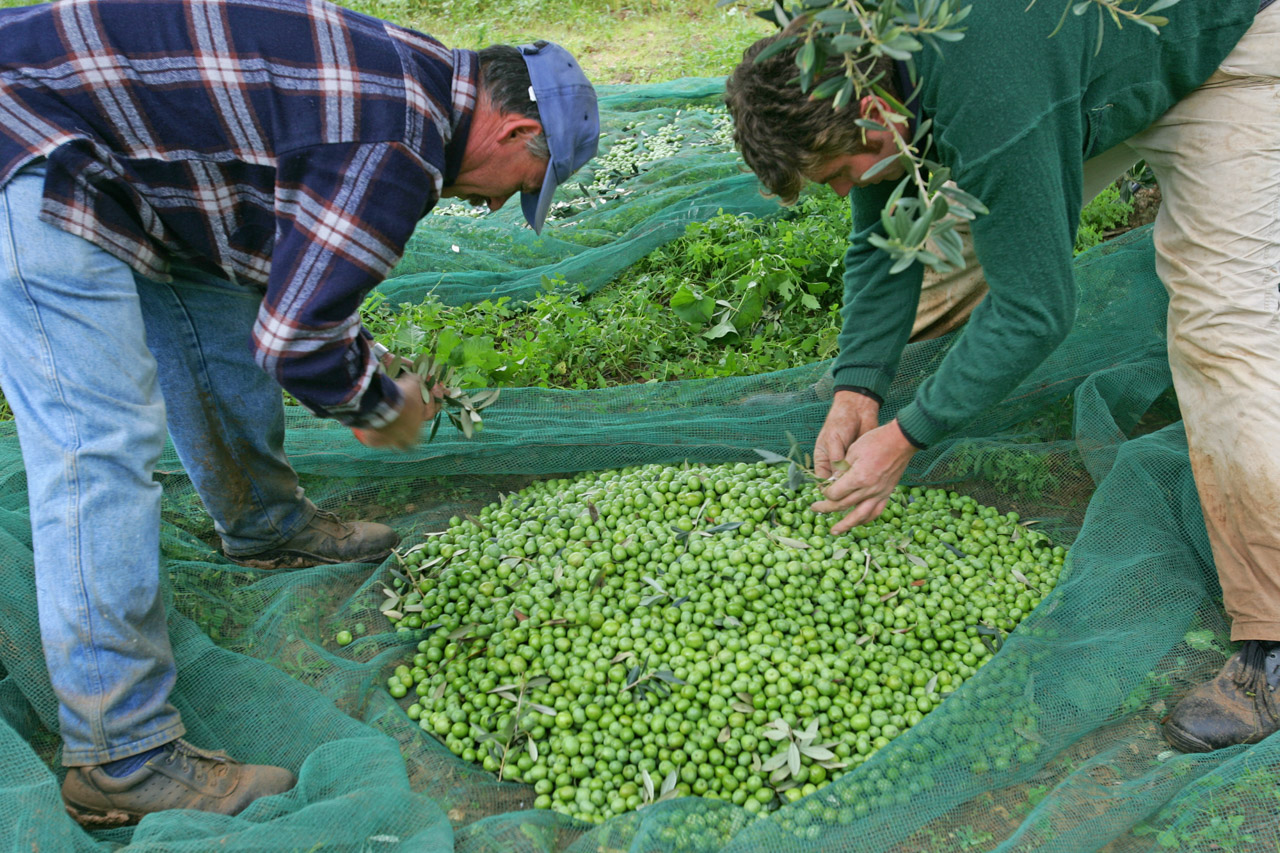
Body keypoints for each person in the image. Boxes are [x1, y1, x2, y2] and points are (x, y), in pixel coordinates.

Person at [0, 0, 599, 827]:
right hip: (29, 135)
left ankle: (262, 522)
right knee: (95, 442)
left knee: (217, 301)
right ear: (513, 131)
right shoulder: (399, 142)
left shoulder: (416, 81)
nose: (495, 208)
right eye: (522, 188)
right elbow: (297, 338)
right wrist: (380, 403)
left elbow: (284, 275)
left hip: (119, 158)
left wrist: (354, 356)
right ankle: (121, 752)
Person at [725, 0, 1278, 753]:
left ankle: (1273, 647)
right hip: (1078, 71)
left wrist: (911, 434)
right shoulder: (865, 50)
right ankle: (904, 409)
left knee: (1222, 336)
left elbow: (1036, 308)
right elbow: (886, 229)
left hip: (1221, 50)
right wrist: (858, 385)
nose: (836, 189)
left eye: (832, 173)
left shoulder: (985, 82)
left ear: (873, 113)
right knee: (945, 265)